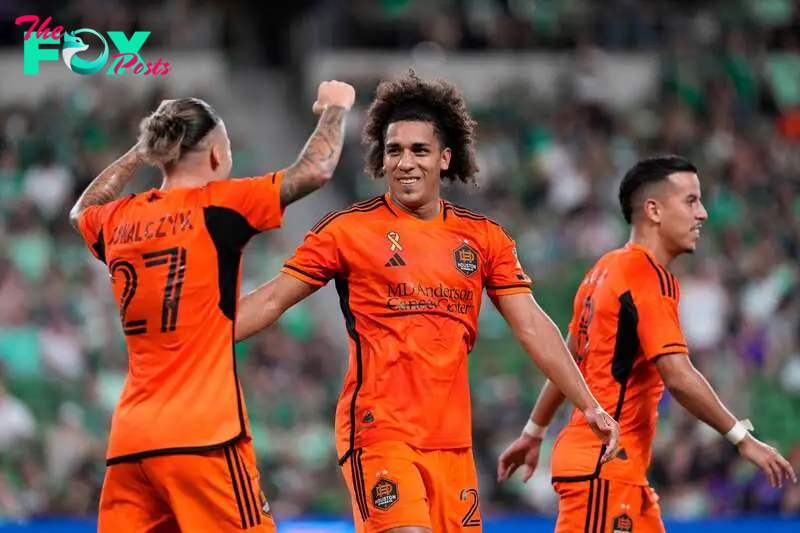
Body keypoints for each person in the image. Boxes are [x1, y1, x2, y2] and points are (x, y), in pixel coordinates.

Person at [234, 71, 620, 533]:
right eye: (394, 150)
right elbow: (273, 299)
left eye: (419, 150)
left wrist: (589, 405)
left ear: (444, 158)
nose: (405, 162)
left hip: (453, 448)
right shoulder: (348, 231)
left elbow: (533, 326)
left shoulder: (483, 238)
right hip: (380, 434)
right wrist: (191, 337)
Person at [69, 81, 356, 532]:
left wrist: (136, 155)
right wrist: (336, 108)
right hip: (203, 437)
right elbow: (314, 171)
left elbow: (81, 209)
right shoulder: (219, 205)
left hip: (131, 444)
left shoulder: (119, 219)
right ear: (217, 156)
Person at [496, 155, 797, 533]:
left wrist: (534, 430)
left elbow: (568, 360)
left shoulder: (602, 270)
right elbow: (678, 375)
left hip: (617, 472)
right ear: (653, 210)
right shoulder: (647, 278)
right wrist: (741, 437)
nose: (702, 213)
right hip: (603, 469)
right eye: (691, 201)